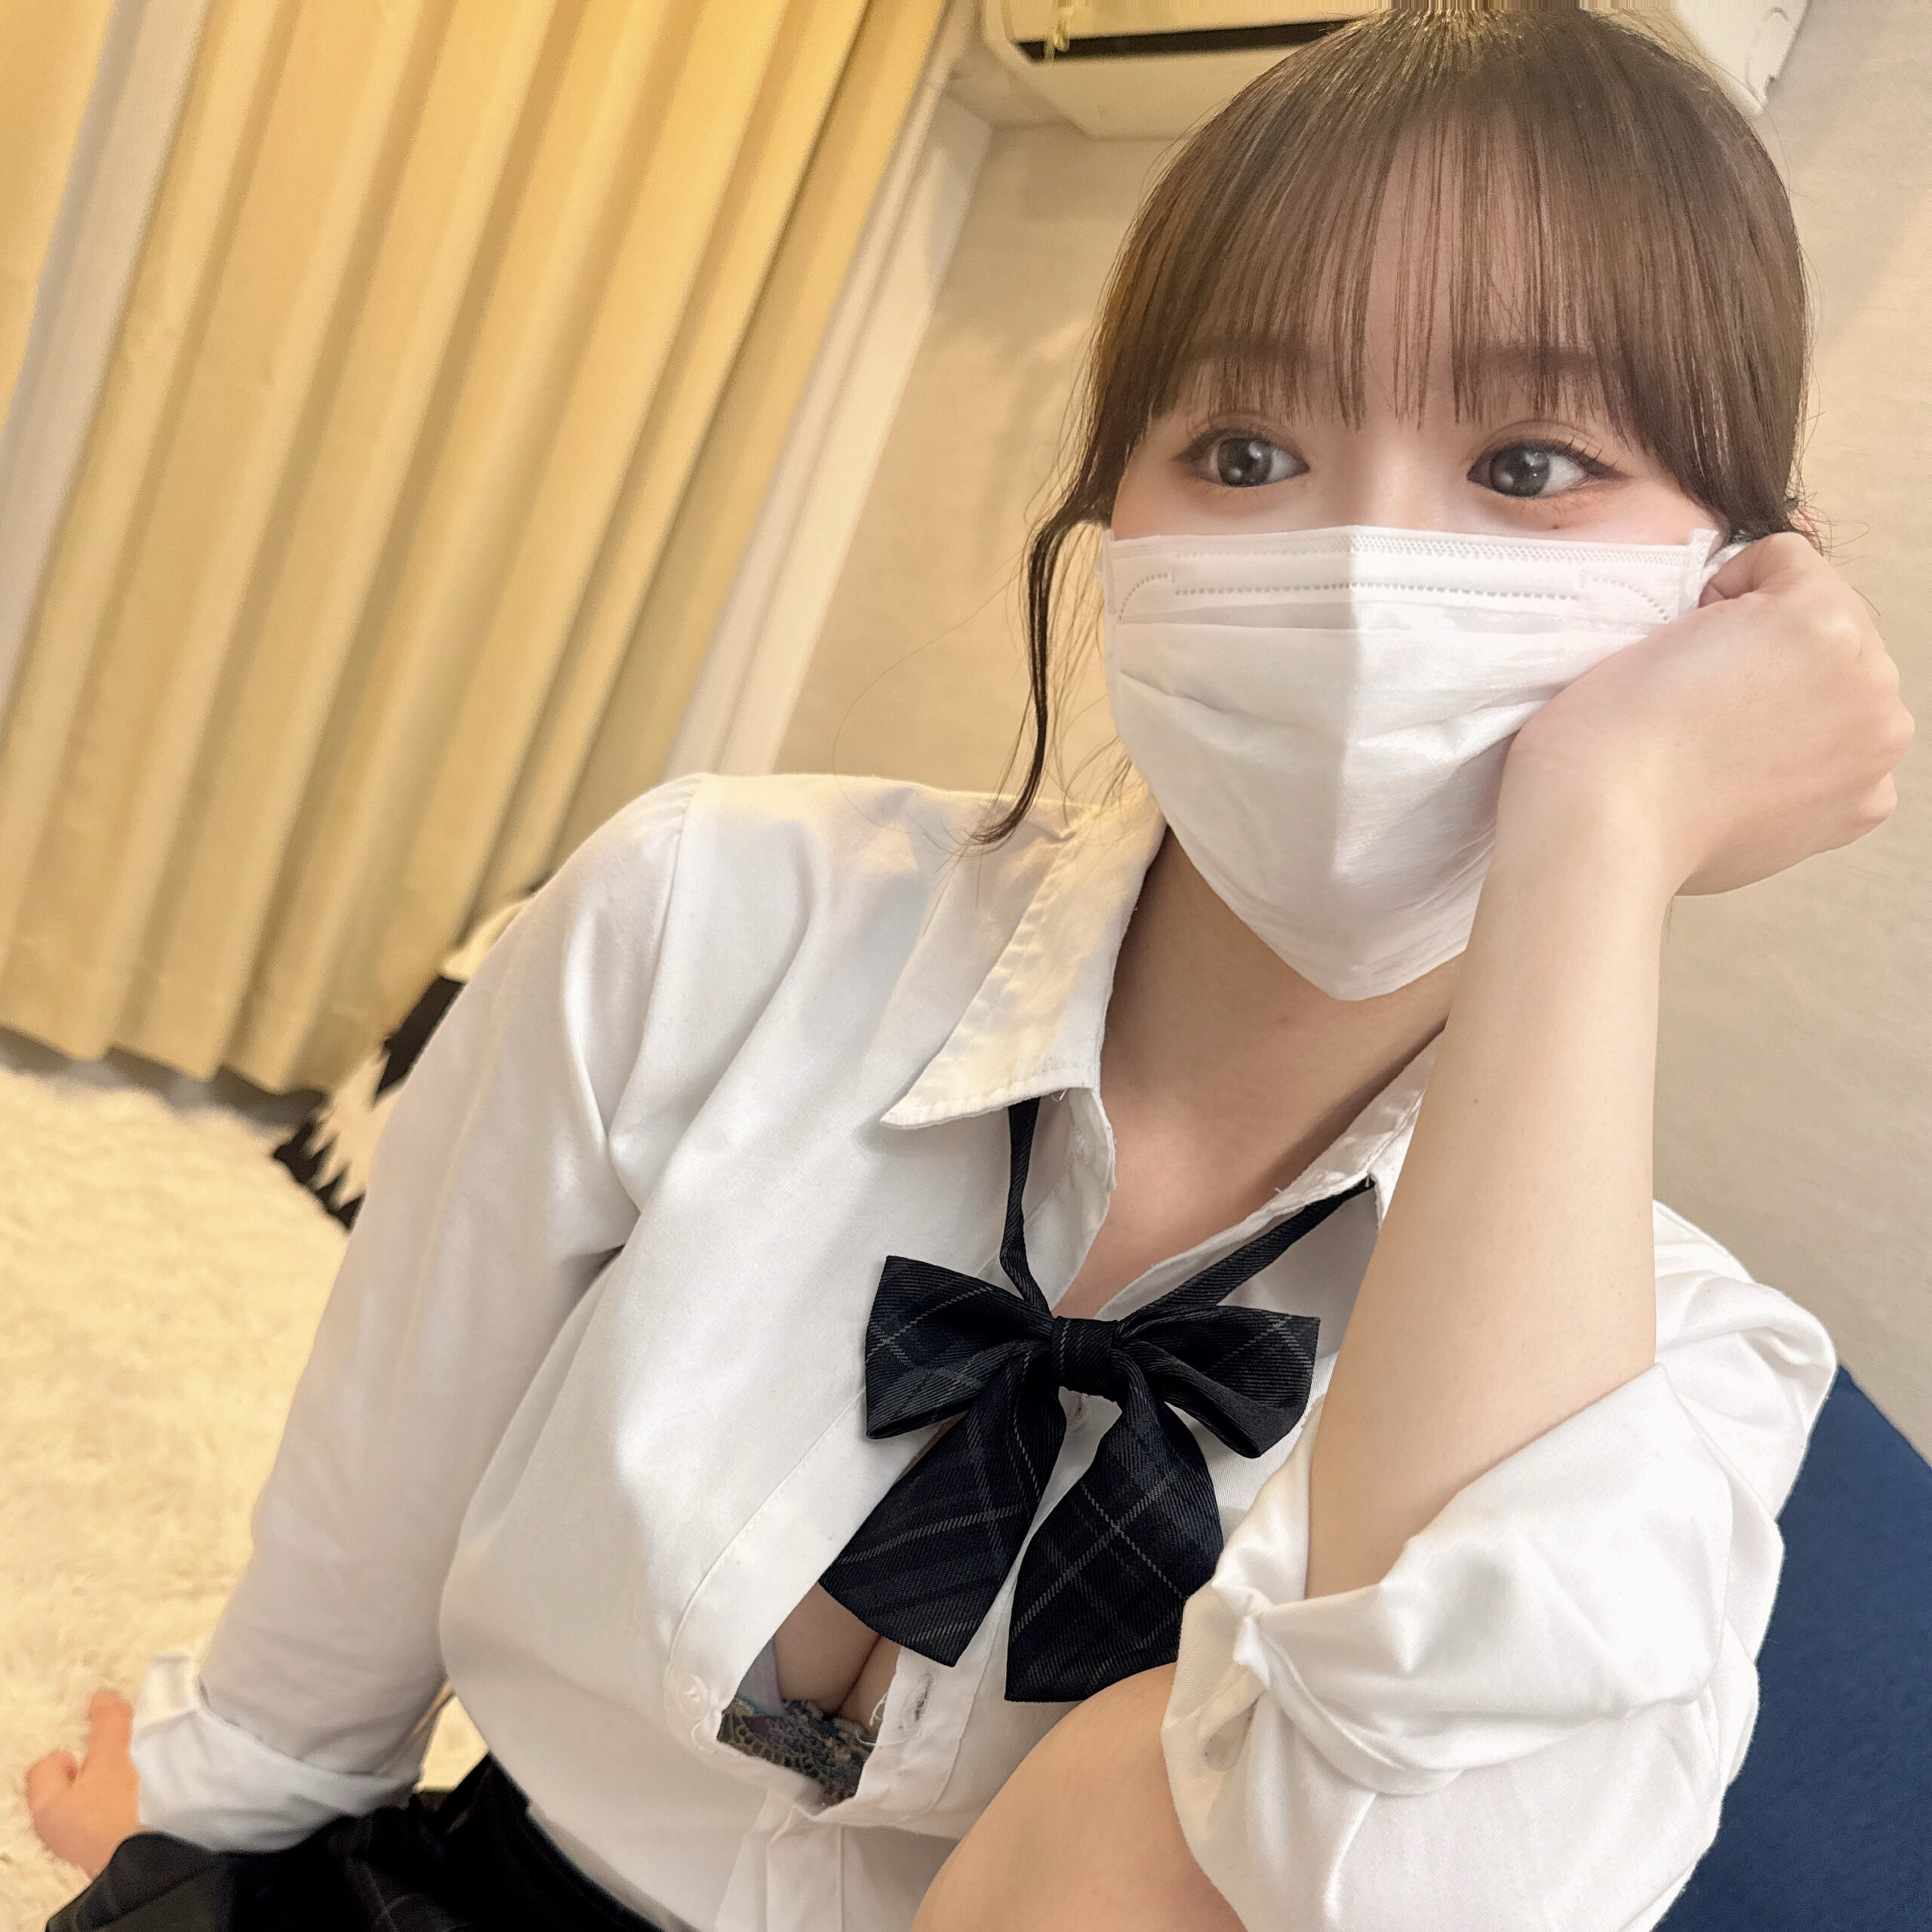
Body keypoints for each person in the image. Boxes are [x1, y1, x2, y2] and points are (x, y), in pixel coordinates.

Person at [28, 9, 1910, 1931]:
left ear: (1735, 590)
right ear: (1114, 517)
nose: (1359, 569)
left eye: (1526, 462)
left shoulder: (1682, 1358)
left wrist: (1599, 842)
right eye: (1243, 450)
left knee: (1170, 1785)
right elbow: (366, 1530)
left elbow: (1413, 1879)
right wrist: (205, 1811)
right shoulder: (708, 918)